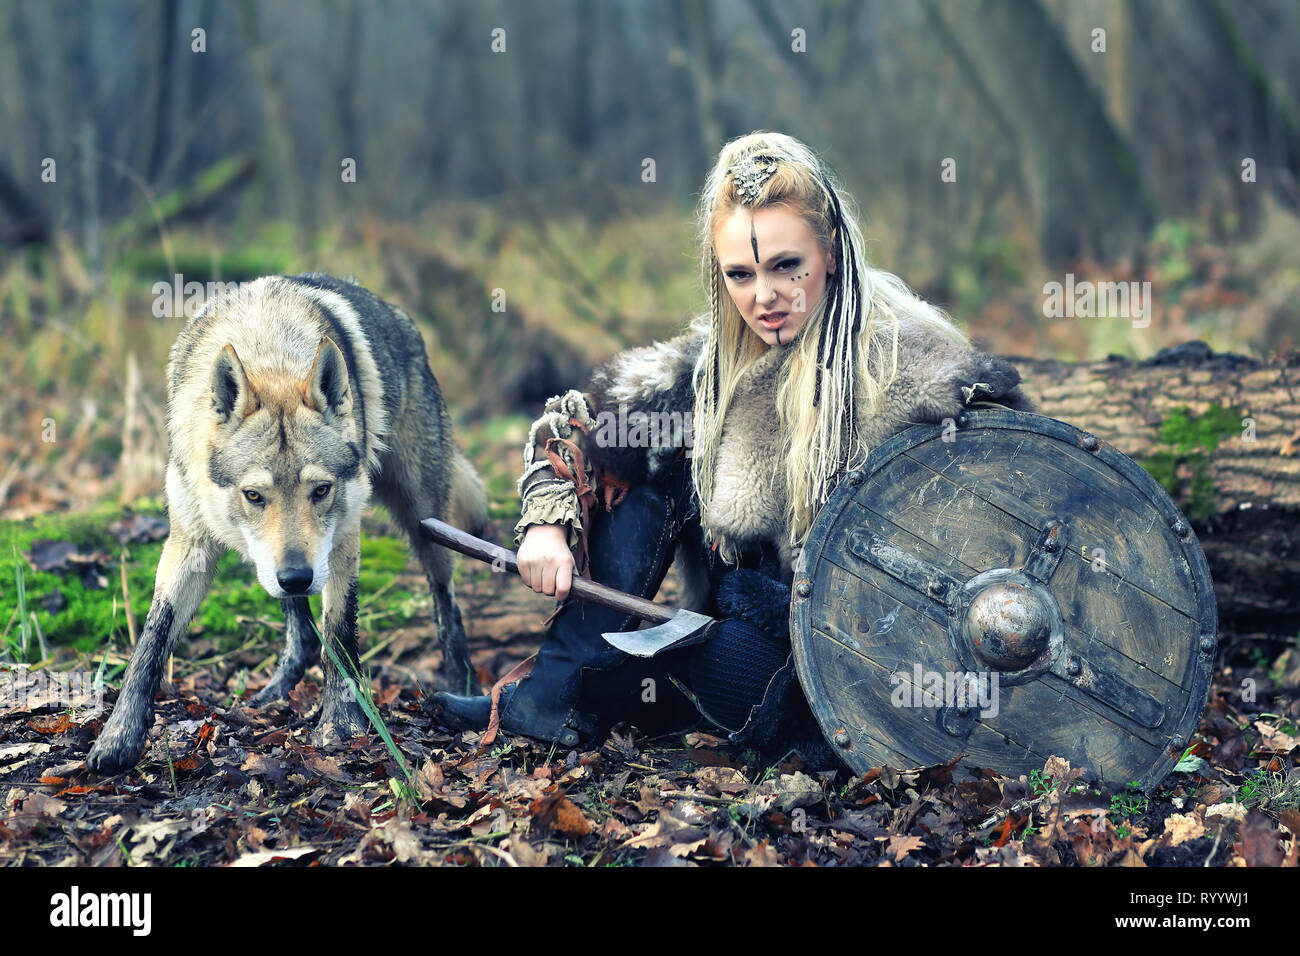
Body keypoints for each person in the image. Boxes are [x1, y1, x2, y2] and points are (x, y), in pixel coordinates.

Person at [434, 131, 1033, 762]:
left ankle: (592, 696)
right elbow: (576, 429)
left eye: (785, 267)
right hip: (738, 627)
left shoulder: (912, 372)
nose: (764, 297)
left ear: (829, 252)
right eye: (740, 275)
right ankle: (553, 690)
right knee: (641, 460)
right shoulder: (711, 372)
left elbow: (1021, 491)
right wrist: (546, 530)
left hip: (866, 664)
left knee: (728, 662)